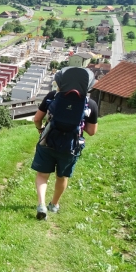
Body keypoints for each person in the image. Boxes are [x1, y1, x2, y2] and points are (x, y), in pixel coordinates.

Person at [31, 67, 98, 220]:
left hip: (48, 141)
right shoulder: (90, 104)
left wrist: (41, 130)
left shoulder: (52, 96)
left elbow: (36, 118)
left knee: (42, 175)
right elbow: (92, 131)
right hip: (71, 146)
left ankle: (41, 204)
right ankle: (54, 205)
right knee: (62, 177)